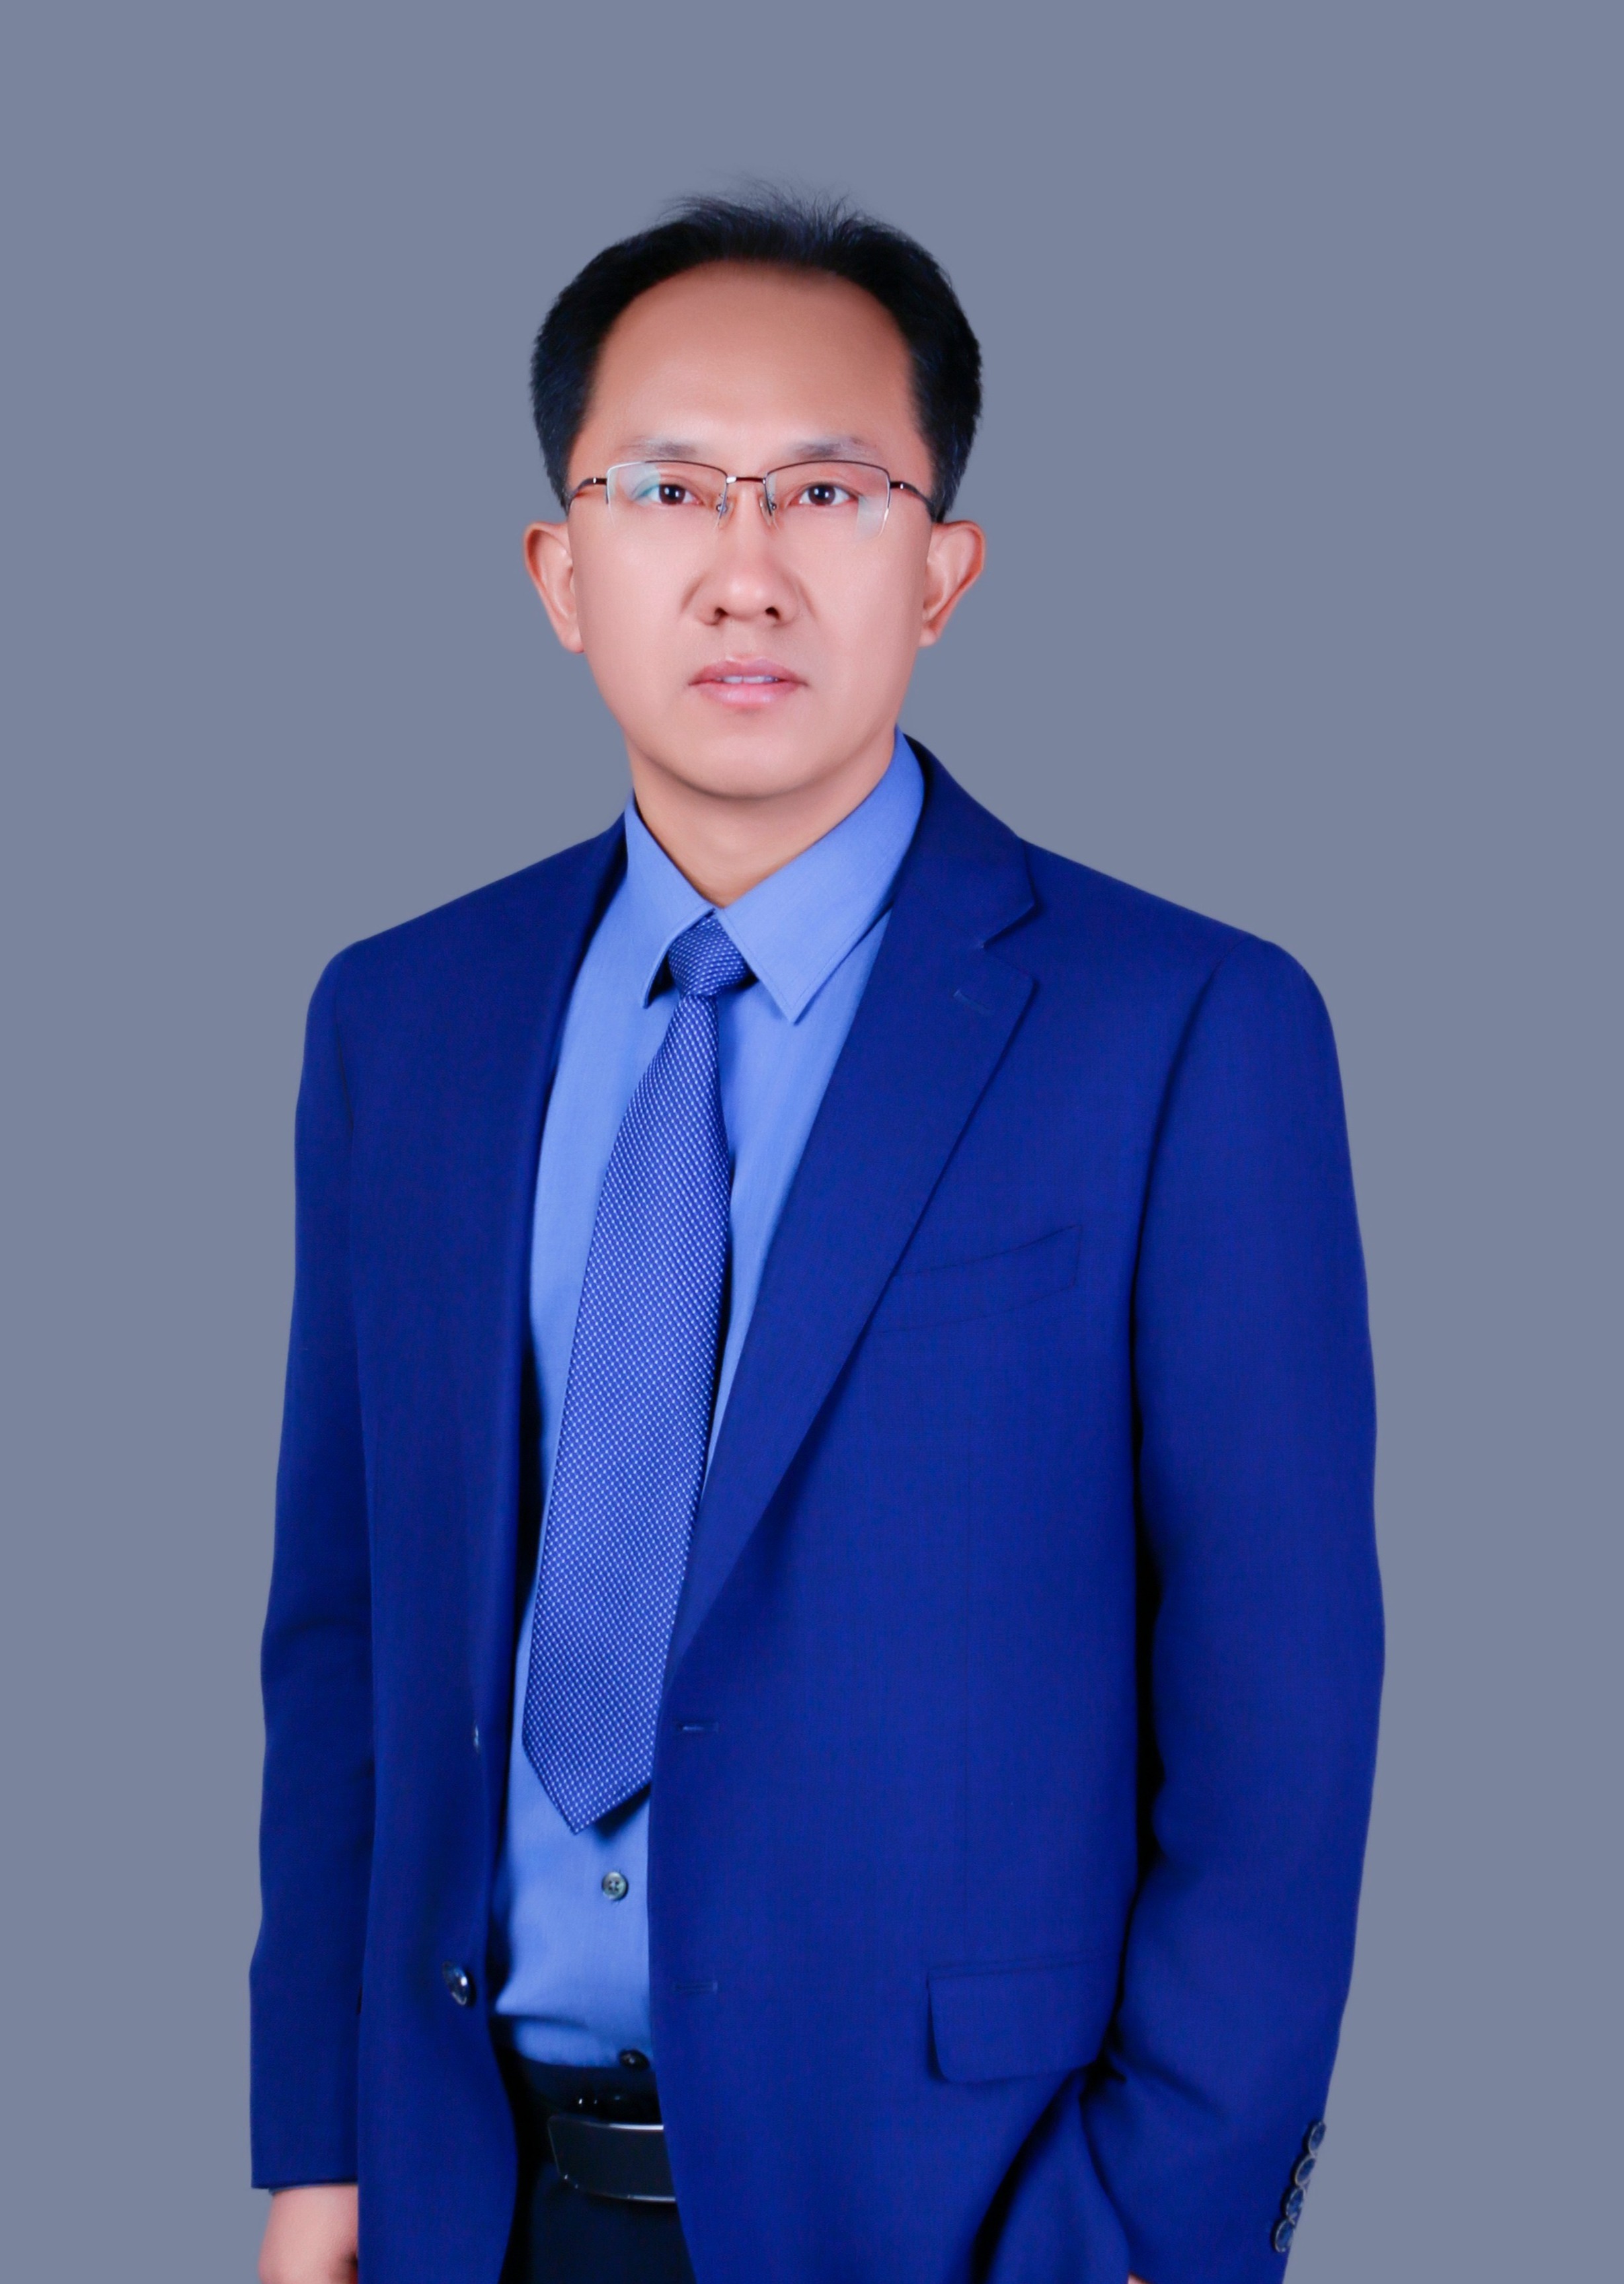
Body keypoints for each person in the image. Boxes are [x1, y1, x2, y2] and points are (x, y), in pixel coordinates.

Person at [251, 194, 1382, 2284]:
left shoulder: (1175, 1026)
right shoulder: (402, 1019)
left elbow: (1278, 1705)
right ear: (560, 570)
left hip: (965, 2214)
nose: (746, 567)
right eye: (669, 489)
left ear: (941, 570)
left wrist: (1150, 2227)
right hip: (469, 2207)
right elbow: (346, 1632)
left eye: (832, 493)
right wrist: (319, 2149)